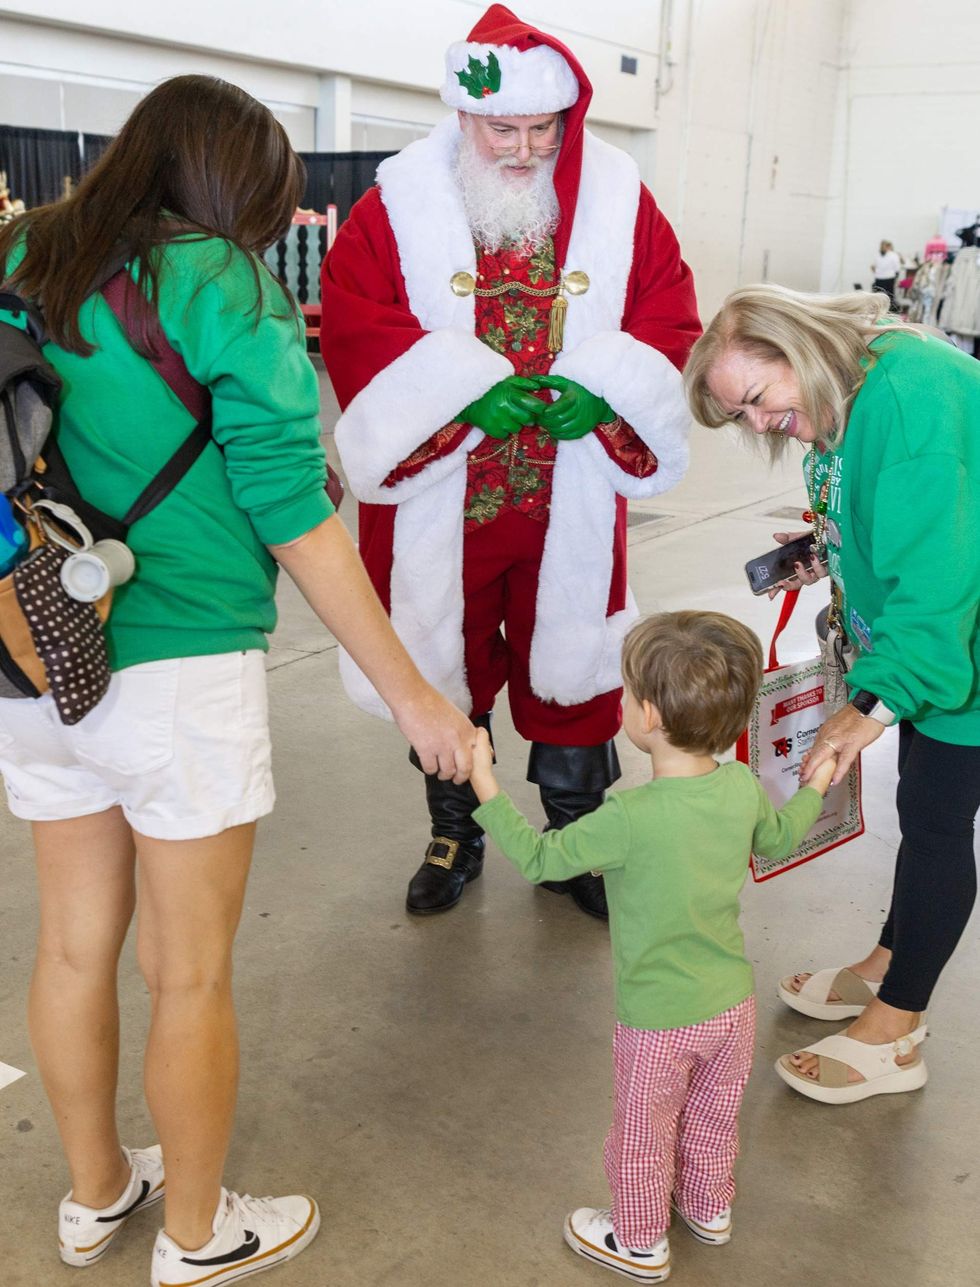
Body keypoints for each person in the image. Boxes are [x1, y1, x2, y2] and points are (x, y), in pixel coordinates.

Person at [0, 75, 474, 1285]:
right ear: (233, 186)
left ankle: (97, 1193)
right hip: (179, 668)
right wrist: (416, 695)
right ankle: (201, 1236)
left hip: (34, 655)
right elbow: (291, 510)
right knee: (189, 968)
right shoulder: (221, 284)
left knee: (69, 949)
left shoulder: (23, 251)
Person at [320, 3, 700, 920]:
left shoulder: (617, 195)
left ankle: (578, 837)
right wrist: (460, 396)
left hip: (570, 492)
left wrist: (605, 394)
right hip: (442, 492)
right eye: (504, 129)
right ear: (463, 116)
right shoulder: (393, 202)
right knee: (442, 665)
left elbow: (667, 307)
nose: (525, 150)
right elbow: (358, 318)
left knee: (574, 664)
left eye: (542, 129)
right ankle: (456, 831)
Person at [468, 610, 835, 1281]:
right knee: (713, 1117)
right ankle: (709, 1207)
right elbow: (780, 839)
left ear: (646, 715)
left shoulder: (627, 819)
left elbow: (542, 860)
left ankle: (637, 1239)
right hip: (732, 1007)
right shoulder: (739, 788)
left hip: (658, 1019)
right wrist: (815, 784)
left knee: (642, 1134)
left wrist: (486, 784)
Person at [684, 283, 980, 1105]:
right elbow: (902, 508)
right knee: (926, 811)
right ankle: (894, 957)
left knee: (932, 814)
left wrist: (863, 709)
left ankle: (899, 1028)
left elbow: (937, 585)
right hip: (937, 641)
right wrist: (832, 540)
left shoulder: (911, 396)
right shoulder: (845, 389)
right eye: (741, 418)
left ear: (796, 346)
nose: (759, 426)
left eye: (756, 401)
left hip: (958, 641)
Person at [870, 239, 901, 309]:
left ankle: (889, 311)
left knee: (888, 297)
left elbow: (897, 268)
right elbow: (873, 266)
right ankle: (879, 311)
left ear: (888, 247)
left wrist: (895, 277)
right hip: (879, 278)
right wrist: (877, 271)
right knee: (879, 297)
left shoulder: (893, 255)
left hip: (889, 279)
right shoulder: (877, 255)